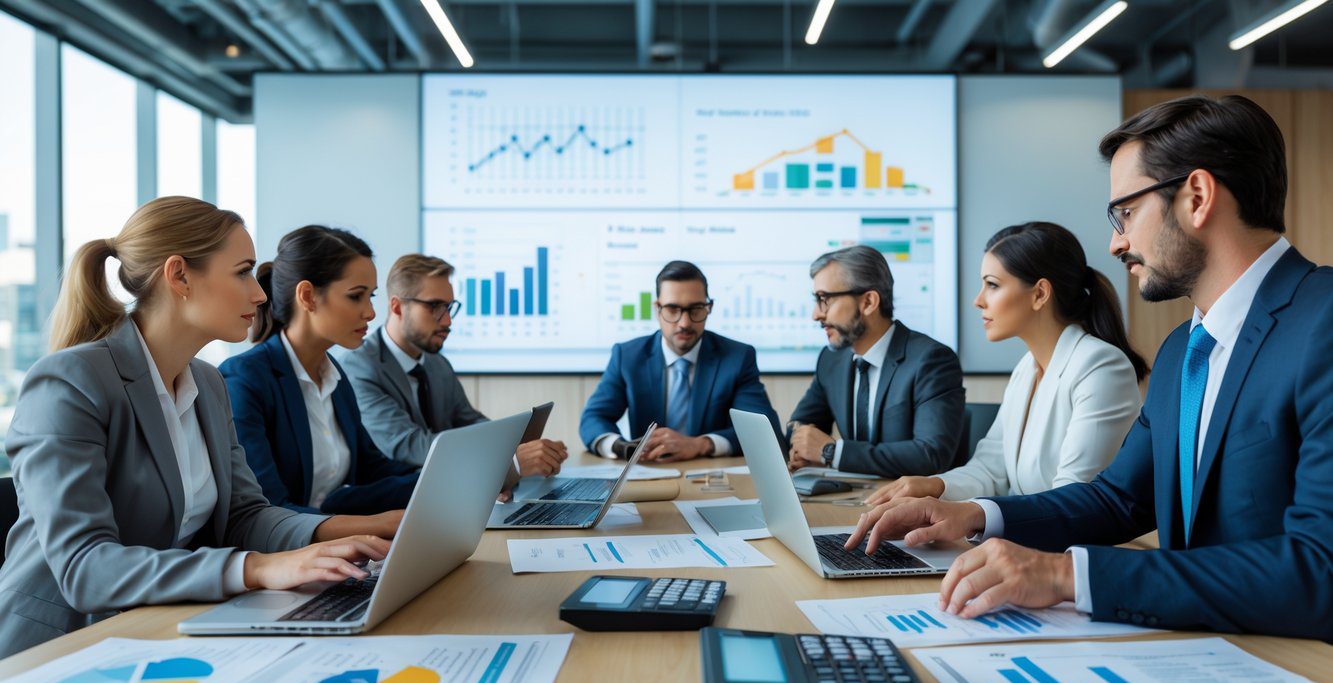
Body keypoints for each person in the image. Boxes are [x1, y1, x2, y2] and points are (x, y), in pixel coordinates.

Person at [848, 95, 1333, 641]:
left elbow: (1321, 568)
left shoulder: (1323, 322)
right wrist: (974, 515)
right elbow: (1119, 500)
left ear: (1196, 197)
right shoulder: (1183, 350)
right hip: (1210, 652)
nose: (1116, 242)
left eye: (1125, 213)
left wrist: (1066, 575)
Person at [0, 198, 395, 659]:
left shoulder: (207, 383)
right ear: (179, 275)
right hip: (53, 652)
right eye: (243, 271)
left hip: (154, 631)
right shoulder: (70, 382)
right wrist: (258, 569)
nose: (261, 294)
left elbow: (246, 516)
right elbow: (86, 568)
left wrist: (334, 537)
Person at [865, 222, 1145, 506]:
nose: (978, 300)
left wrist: (976, 517)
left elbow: (1072, 499)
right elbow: (991, 468)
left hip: (1065, 545)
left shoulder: (1101, 366)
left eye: (992, 285)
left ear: (1039, 294)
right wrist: (933, 486)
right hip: (1026, 537)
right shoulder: (1027, 368)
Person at [220, 226, 419, 517]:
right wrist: (371, 527)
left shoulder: (333, 373)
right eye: (355, 296)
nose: (370, 313)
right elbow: (268, 510)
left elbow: (371, 469)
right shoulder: (245, 380)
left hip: (339, 546)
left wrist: (450, 480)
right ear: (308, 296)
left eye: (371, 296)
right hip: (286, 553)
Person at [342, 253, 567, 475]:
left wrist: (521, 447)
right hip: (392, 500)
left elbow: (470, 422)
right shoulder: (360, 368)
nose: (447, 321)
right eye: (435, 307)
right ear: (397, 307)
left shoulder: (437, 364)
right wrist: (506, 460)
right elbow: (409, 445)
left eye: (449, 308)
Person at [579, 260, 783, 462]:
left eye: (696, 309)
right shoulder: (628, 356)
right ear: (657, 308)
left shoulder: (737, 357)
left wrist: (700, 444)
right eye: (672, 309)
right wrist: (622, 448)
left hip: (710, 479)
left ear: (709, 307)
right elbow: (593, 419)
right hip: (648, 475)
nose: (684, 323)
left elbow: (764, 431)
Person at [788, 245, 964, 477]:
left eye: (824, 299)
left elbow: (931, 455)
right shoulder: (832, 359)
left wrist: (832, 452)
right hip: (851, 499)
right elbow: (801, 423)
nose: (816, 314)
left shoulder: (931, 361)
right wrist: (800, 445)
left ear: (869, 302)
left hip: (911, 505)